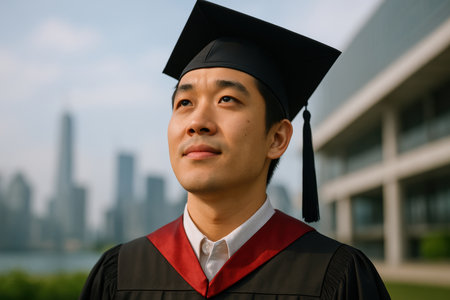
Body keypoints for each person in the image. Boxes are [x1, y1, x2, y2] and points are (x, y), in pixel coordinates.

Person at [79, 1, 390, 299]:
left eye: (226, 99)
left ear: (277, 138)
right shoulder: (119, 273)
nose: (197, 122)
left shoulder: (336, 276)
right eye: (184, 103)